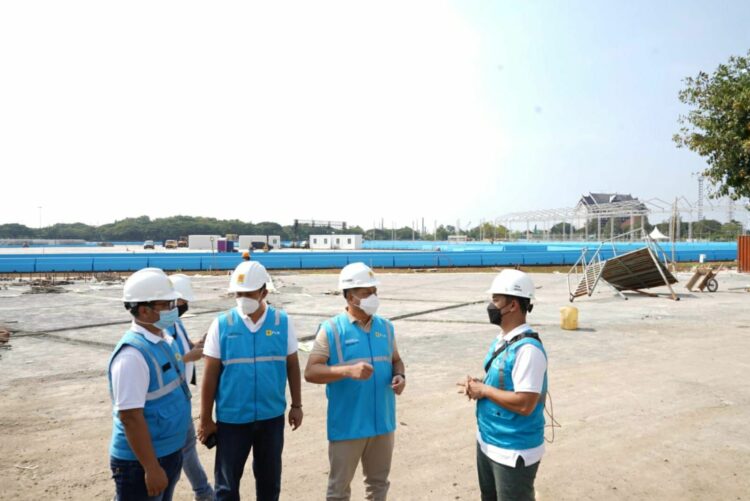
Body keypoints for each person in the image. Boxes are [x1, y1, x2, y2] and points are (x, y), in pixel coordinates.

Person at [198, 261, 303, 501]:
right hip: (232, 420)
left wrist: (296, 405)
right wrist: (205, 418)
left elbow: (292, 365)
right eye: (238, 294)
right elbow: (210, 374)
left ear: (264, 292)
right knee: (226, 486)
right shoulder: (222, 325)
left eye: (248, 293)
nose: (242, 299)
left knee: (269, 482)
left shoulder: (282, 322)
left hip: (271, 418)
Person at [305, 262, 406, 501]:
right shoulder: (331, 329)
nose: (373, 297)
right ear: (350, 297)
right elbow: (311, 372)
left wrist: (400, 376)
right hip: (348, 425)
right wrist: (348, 371)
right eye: (366, 292)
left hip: (382, 423)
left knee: (378, 485)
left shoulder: (386, 327)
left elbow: (396, 360)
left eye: (374, 291)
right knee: (339, 490)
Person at [458, 269, 548, 501]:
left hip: (513, 449)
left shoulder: (528, 350)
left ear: (513, 305)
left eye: (496, 300)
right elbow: (504, 382)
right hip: (489, 440)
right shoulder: (503, 340)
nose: (491, 306)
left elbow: (525, 404)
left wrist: (485, 390)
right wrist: (479, 385)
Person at [108, 268, 191, 501]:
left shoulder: (163, 339)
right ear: (144, 310)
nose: (173, 309)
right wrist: (151, 467)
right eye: (167, 304)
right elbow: (130, 416)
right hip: (142, 462)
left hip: (166, 451)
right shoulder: (132, 356)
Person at [166, 274, 214, 501]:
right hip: (170, 398)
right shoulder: (162, 327)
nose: (185, 306)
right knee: (181, 451)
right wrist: (189, 356)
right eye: (183, 302)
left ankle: (203, 492)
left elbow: (184, 348)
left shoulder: (176, 322)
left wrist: (199, 345)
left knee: (186, 448)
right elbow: (165, 361)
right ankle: (204, 493)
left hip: (180, 395)